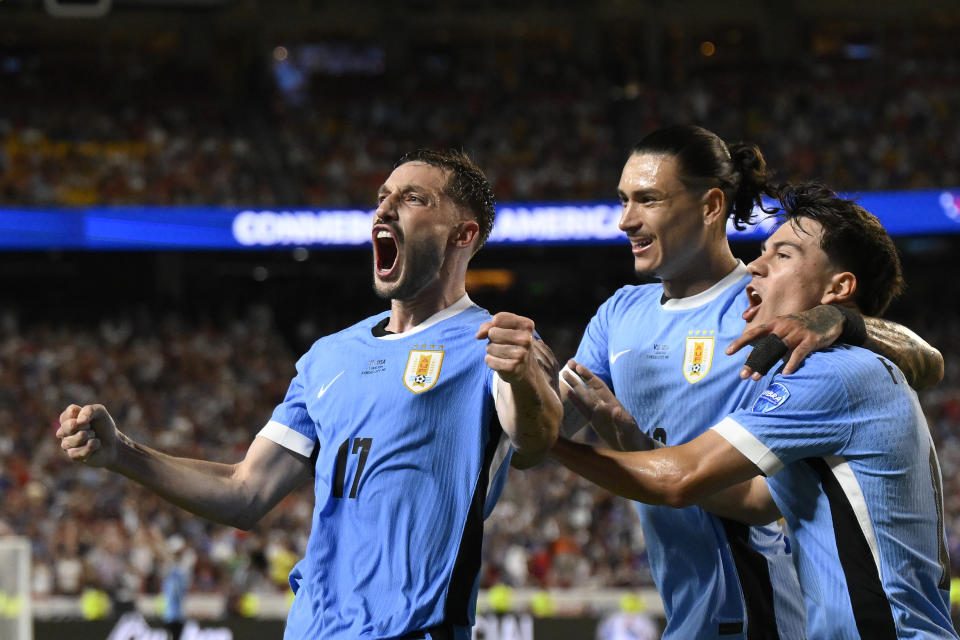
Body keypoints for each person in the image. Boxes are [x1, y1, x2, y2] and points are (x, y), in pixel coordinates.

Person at [56, 149, 561, 640]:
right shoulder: (329, 357)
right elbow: (244, 491)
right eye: (383, 196)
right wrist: (122, 452)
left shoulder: (497, 343)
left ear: (463, 234)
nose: (383, 209)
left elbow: (534, 439)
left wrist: (521, 378)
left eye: (412, 199)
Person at [560, 125, 943, 640]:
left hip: (775, 616)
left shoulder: (833, 370)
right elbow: (757, 501)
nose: (758, 265)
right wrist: (629, 439)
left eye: (781, 255)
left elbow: (927, 360)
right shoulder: (624, 313)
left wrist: (554, 445)